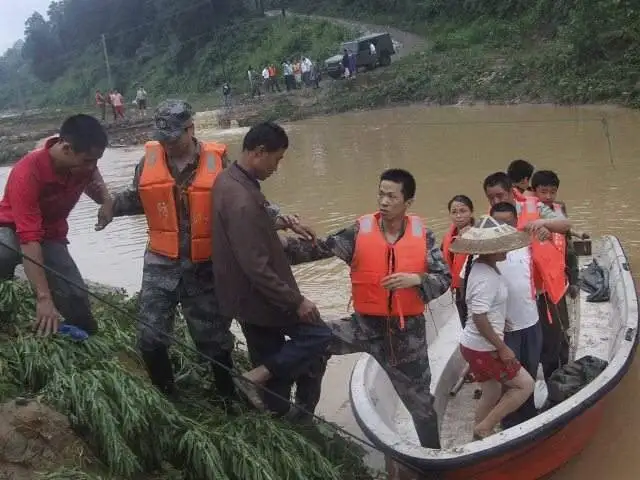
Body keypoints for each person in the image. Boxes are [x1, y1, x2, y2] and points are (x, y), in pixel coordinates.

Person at [281, 168, 451, 448]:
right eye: (381, 194)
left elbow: (444, 279)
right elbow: (317, 248)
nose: (383, 202)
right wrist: (274, 245)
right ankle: (302, 416)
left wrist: (417, 279)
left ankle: (434, 460)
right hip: (362, 327)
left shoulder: (425, 237)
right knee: (313, 342)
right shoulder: (360, 231)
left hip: (405, 337)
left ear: (407, 203)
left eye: (391, 196)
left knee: (421, 406)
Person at [95, 100, 241, 403]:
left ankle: (228, 400)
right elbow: (137, 198)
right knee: (150, 335)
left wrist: (277, 218)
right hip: (161, 263)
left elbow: (240, 201)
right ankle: (168, 396)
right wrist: (110, 208)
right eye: (163, 138)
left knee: (213, 341)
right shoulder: (149, 162)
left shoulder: (217, 162)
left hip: (202, 266)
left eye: (174, 137)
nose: (168, 144)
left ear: (191, 128)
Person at [211, 122, 332, 417]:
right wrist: (296, 300)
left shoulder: (229, 180)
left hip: (244, 299)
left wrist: (283, 221)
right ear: (259, 152)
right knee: (319, 335)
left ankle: (277, 409)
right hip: (263, 298)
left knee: (272, 373)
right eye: (276, 159)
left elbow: (254, 224)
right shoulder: (241, 200)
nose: (276, 167)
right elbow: (256, 266)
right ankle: (256, 377)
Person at [0, 114, 112, 336]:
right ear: (67, 149)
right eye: (88, 161)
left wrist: (107, 200)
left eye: (96, 160)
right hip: (14, 229)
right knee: (3, 252)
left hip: (52, 234)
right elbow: (29, 239)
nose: (92, 166)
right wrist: (43, 298)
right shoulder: (28, 172)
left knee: (76, 298)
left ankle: (84, 337)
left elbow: (94, 178)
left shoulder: (83, 164)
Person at [483, 172, 572, 382]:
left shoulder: (535, 207)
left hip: (543, 291)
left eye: (500, 196)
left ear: (511, 192)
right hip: (516, 298)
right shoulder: (490, 219)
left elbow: (564, 225)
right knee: (523, 347)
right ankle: (525, 388)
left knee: (553, 342)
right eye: (491, 198)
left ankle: (555, 384)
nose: (496, 202)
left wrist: (544, 226)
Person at [452, 215, 535, 440]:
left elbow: (484, 310)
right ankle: (485, 427)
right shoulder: (486, 276)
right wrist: (502, 348)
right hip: (483, 347)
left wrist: (500, 319)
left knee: (492, 391)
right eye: (501, 246)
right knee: (525, 385)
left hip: (473, 346)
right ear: (489, 249)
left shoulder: (481, 268)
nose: (506, 250)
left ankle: (477, 438)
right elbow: (479, 317)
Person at [490, 202, 543, 428]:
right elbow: (467, 290)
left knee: (530, 373)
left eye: (509, 223)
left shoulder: (526, 244)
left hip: (532, 322)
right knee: (510, 380)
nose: (504, 228)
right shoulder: (483, 254)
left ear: (515, 223)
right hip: (505, 329)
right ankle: (509, 424)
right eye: (498, 224)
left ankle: (529, 417)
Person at [530, 170, 580, 379]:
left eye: (552, 192)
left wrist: (574, 279)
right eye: (543, 192)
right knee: (549, 334)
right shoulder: (530, 214)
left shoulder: (559, 210)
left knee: (563, 330)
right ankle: (552, 377)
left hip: (559, 284)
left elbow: (567, 247)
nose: (548, 196)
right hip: (542, 288)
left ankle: (564, 368)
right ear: (534, 191)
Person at [442, 194, 474, 326]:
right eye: (454, 212)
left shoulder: (479, 234)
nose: (458, 216)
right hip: (459, 291)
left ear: (471, 212)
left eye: (463, 211)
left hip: (475, 290)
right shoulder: (449, 236)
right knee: (465, 325)